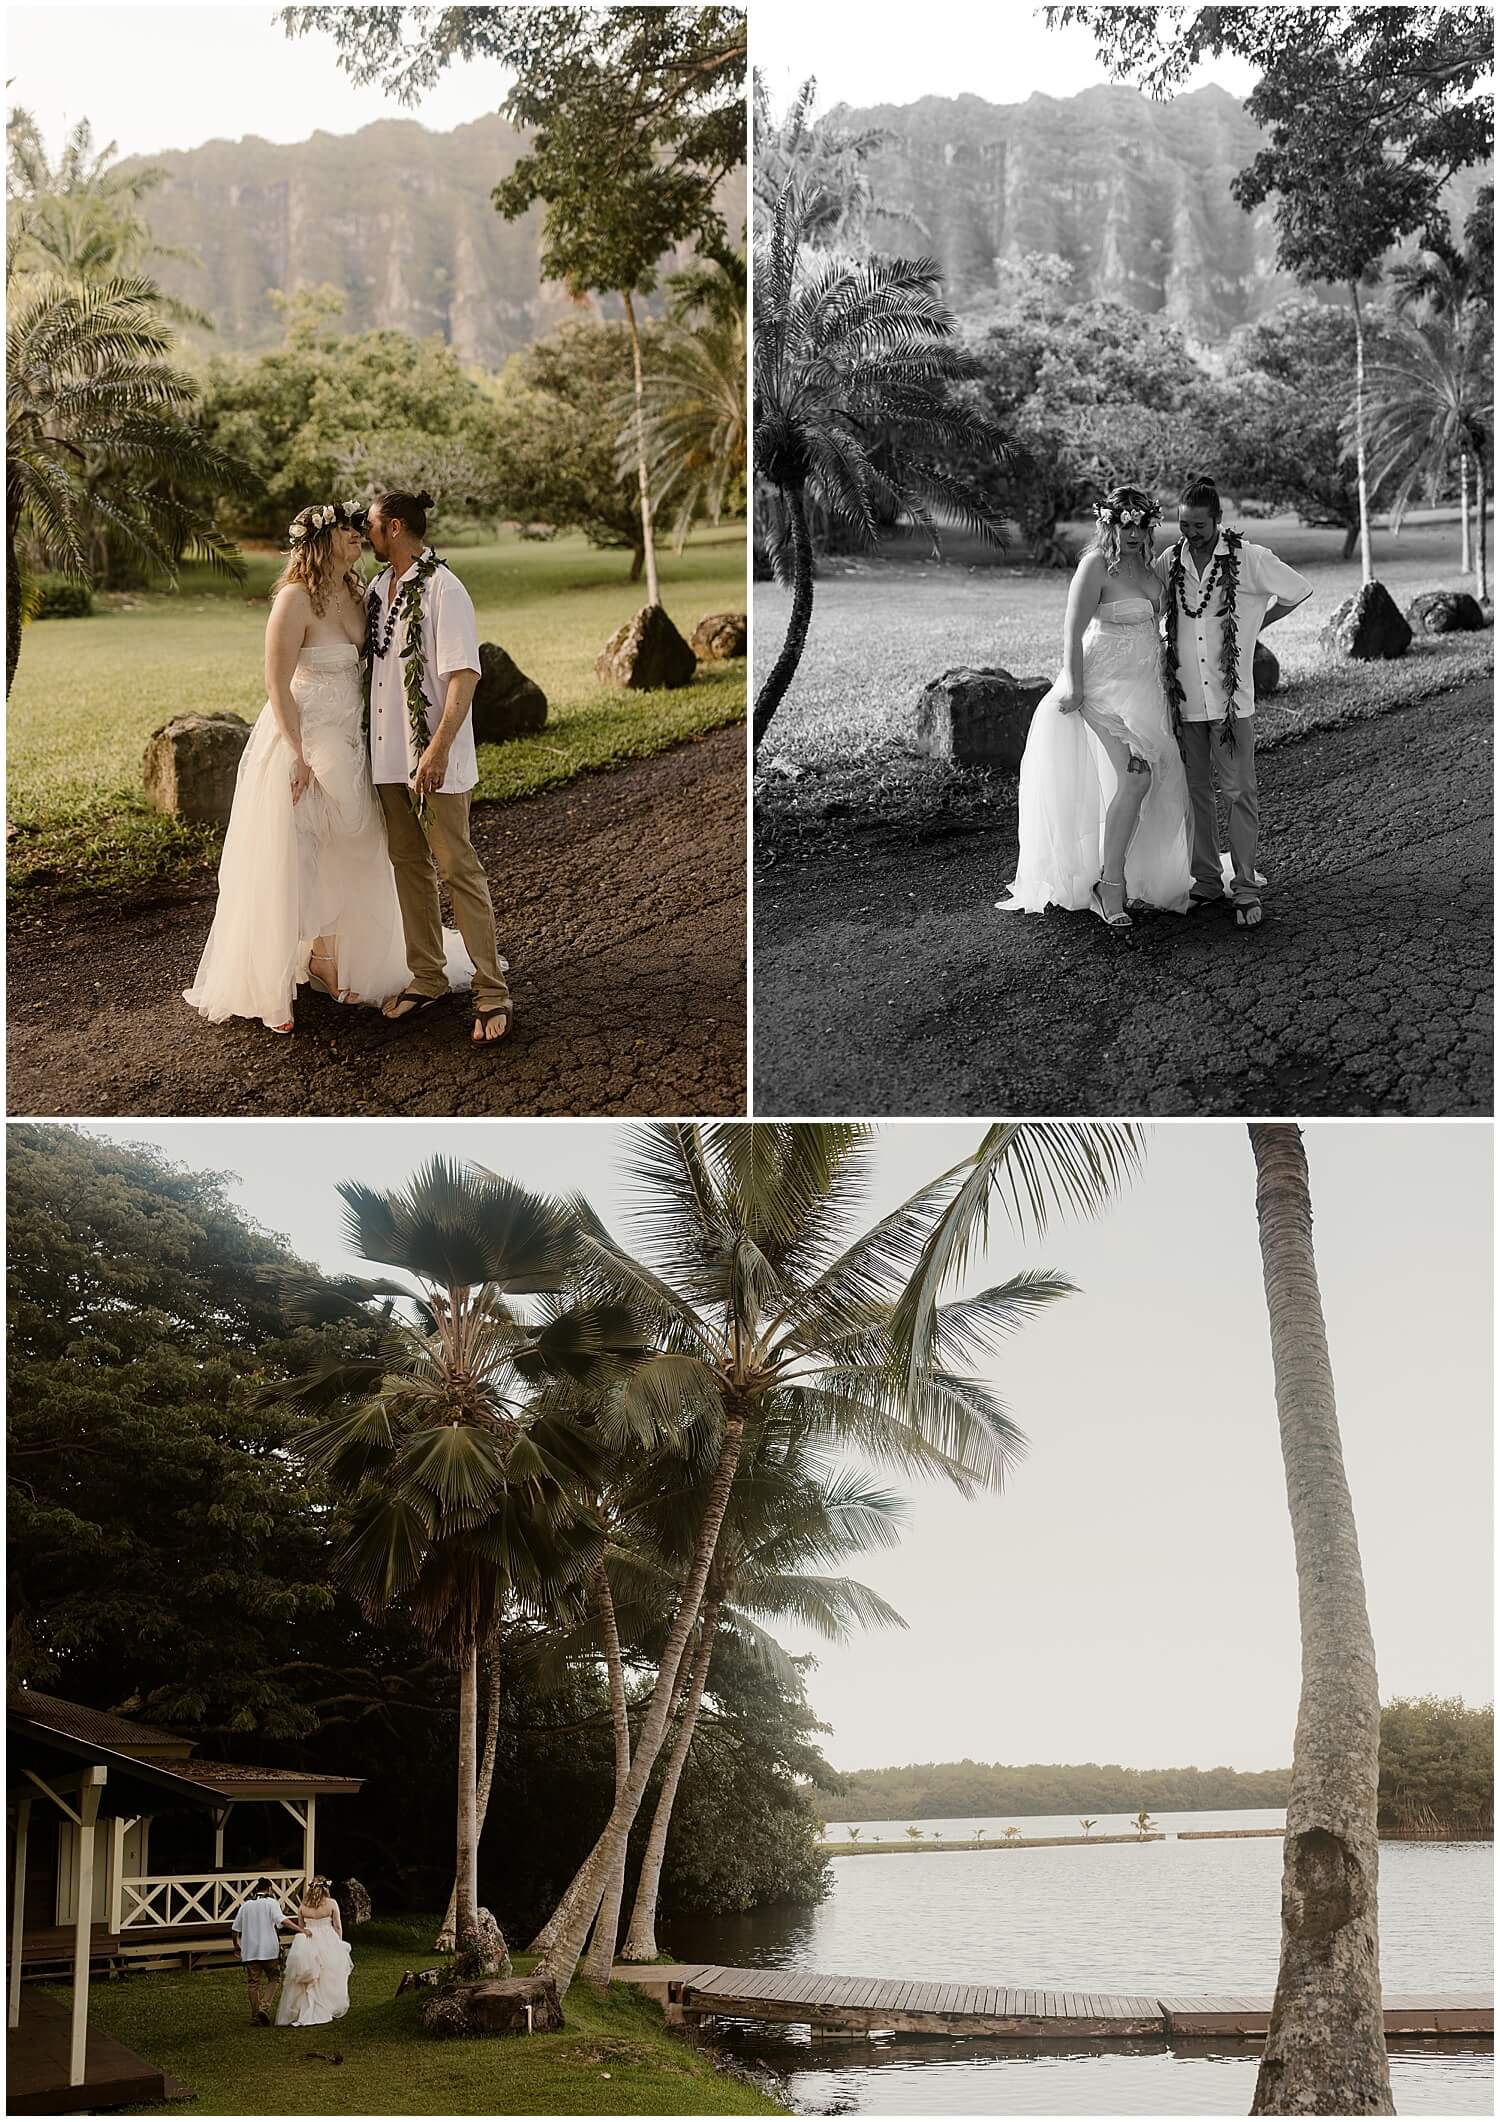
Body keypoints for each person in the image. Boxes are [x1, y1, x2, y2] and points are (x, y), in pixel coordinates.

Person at [183, 501, 470, 1032]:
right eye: (346, 530)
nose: (358, 535)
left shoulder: (361, 595)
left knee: (354, 846)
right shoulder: (293, 600)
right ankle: (273, 980)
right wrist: (297, 754)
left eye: (361, 528)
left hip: (352, 742)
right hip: (303, 741)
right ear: (321, 541)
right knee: (293, 853)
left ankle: (327, 958)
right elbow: (276, 683)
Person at [999, 484, 1192, 928]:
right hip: (1102, 690)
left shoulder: (1151, 571)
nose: (1133, 533)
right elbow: (1072, 631)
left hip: (1145, 689)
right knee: (1136, 777)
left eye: (1141, 525)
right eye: (1125, 525)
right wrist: (1076, 689)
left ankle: (1126, 876)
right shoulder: (1095, 567)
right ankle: (1110, 886)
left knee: (1150, 783)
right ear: (1108, 525)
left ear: (1149, 527)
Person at [364, 490, 514, 1045]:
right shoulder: (380, 589)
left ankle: (492, 991)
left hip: (434, 759)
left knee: (458, 869)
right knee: (409, 864)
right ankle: (427, 977)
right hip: (388, 758)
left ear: (396, 528)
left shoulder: (445, 590)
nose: (366, 536)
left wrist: (438, 748)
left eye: (373, 527)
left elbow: (463, 676)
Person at [1154, 476, 1312, 930]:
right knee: (1197, 793)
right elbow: (1152, 602)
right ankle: (1206, 879)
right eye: (1183, 525)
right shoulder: (1172, 560)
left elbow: (1298, 589)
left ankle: (1245, 887)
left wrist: (1254, 625)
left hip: (1230, 703)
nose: (1190, 534)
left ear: (1219, 521)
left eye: (1199, 525)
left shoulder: (1249, 557)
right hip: (1185, 701)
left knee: (1240, 792)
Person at [276, 1876, 353, 2028]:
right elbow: (337, 1926)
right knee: (326, 1974)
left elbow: (301, 1927)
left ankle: (303, 2009)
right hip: (327, 1940)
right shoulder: (331, 1903)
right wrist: (338, 1943)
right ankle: (323, 2006)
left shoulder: (303, 1906)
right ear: (326, 1888)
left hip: (307, 1940)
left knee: (307, 1977)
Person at [231, 1878, 293, 2026]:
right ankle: (264, 2007)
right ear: (270, 1889)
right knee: (274, 1978)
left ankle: (255, 2016)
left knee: (253, 1983)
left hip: (250, 1951)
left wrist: (236, 1946)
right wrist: (300, 1929)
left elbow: (235, 1930)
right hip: (269, 1950)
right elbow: (281, 1921)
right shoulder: (271, 1903)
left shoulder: (246, 1905)